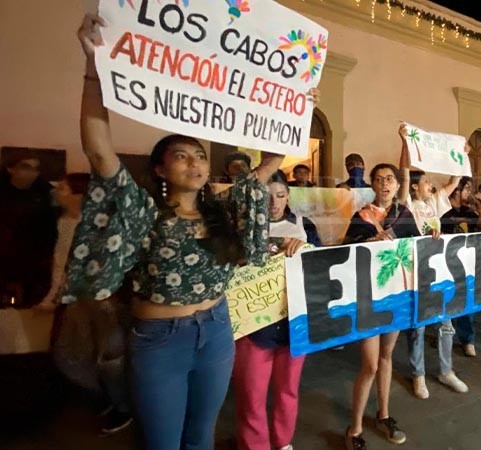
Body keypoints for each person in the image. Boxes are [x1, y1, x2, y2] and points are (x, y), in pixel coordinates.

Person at [66, 15, 308, 449]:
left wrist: (294, 107)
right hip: (160, 341)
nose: (195, 163)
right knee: (161, 442)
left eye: (199, 155)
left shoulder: (224, 212)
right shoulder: (142, 210)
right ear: (160, 168)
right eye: (181, 156)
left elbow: (268, 167)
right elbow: (99, 149)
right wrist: (92, 69)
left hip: (216, 330)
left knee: (200, 438)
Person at [40, 173, 134, 435]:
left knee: (111, 356)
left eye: (63, 187)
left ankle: (123, 405)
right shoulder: (65, 221)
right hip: (79, 298)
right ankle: (111, 397)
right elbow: (62, 265)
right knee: (74, 353)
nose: (57, 191)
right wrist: (55, 294)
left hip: (104, 299)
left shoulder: (100, 225)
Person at [232, 171, 320, 450]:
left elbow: (322, 267)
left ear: (288, 197)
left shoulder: (303, 225)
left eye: (280, 195)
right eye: (267, 196)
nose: (274, 202)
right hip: (253, 325)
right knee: (251, 395)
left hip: (294, 323)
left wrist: (307, 249)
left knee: (288, 390)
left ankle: (283, 442)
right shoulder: (241, 230)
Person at [342, 163, 417, 450]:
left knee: (387, 357)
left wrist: (431, 240)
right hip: (369, 297)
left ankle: (383, 415)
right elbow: (345, 253)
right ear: (372, 185)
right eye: (378, 179)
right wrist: (371, 241)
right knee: (370, 365)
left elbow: (416, 250)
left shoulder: (406, 216)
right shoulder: (361, 217)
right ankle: (355, 427)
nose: (384, 183)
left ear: (398, 185)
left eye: (389, 179)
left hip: (396, 296)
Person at [397, 127, 468, 399]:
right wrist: (404, 142)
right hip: (416, 273)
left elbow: (454, 181)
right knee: (419, 326)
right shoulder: (407, 204)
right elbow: (404, 173)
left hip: (440, 271)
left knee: (446, 323)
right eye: (426, 182)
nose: (431, 185)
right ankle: (419, 375)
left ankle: (446, 370)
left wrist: (461, 156)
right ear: (415, 186)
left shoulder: (434, 203)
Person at [0, 152, 57, 308]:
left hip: (33, 263)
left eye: (36, 169)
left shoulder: (44, 192)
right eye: (26, 167)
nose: (32, 173)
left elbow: (51, 227)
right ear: (11, 169)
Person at [440, 177, 481, 357]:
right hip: (445, 262)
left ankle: (467, 339)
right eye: (467, 189)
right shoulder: (442, 211)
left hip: (466, 262)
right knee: (446, 302)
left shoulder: (470, 212)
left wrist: (480, 209)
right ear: (457, 190)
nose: (469, 193)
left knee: (467, 302)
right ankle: (443, 338)